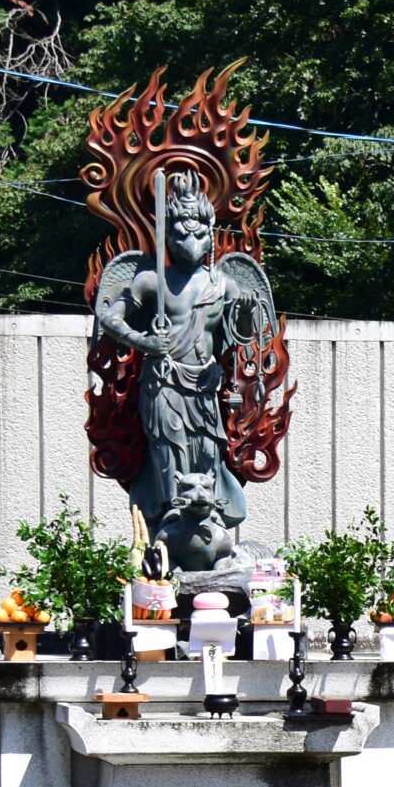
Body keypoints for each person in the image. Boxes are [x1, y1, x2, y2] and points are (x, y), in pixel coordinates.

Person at [90, 171, 275, 569]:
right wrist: (143, 342)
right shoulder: (150, 281)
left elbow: (239, 339)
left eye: (199, 231)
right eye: (180, 231)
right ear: (167, 235)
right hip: (163, 385)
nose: (190, 239)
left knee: (207, 453)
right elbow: (110, 318)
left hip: (204, 385)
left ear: (211, 233)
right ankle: (168, 531)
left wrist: (245, 314)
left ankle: (210, 528)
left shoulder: (222, 284)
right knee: (169, 454)